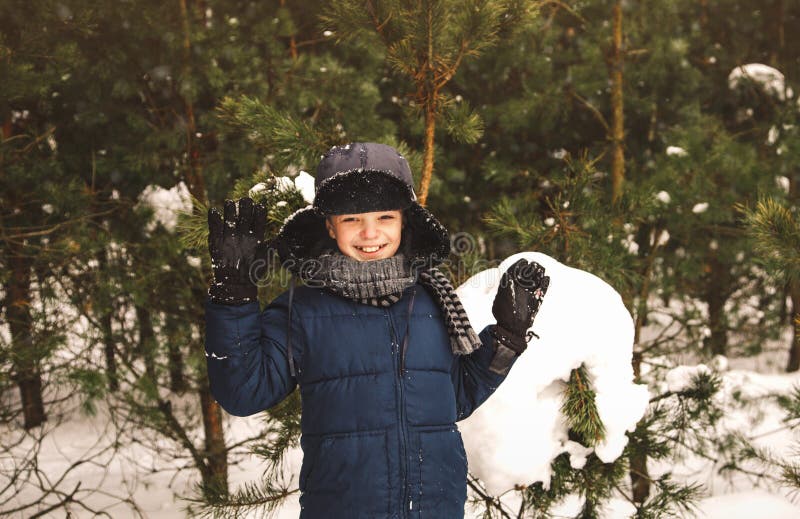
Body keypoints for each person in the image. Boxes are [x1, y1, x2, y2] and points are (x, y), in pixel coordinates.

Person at [204, 142, 549, 518]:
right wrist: (233, 295)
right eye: (352, 219)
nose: (370, 233)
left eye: (385, 217)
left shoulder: (433, 301)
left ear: (405, 221)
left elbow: (456, 398)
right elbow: (242, 392)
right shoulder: (302, 311)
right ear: (330, 226)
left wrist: (507, 337)